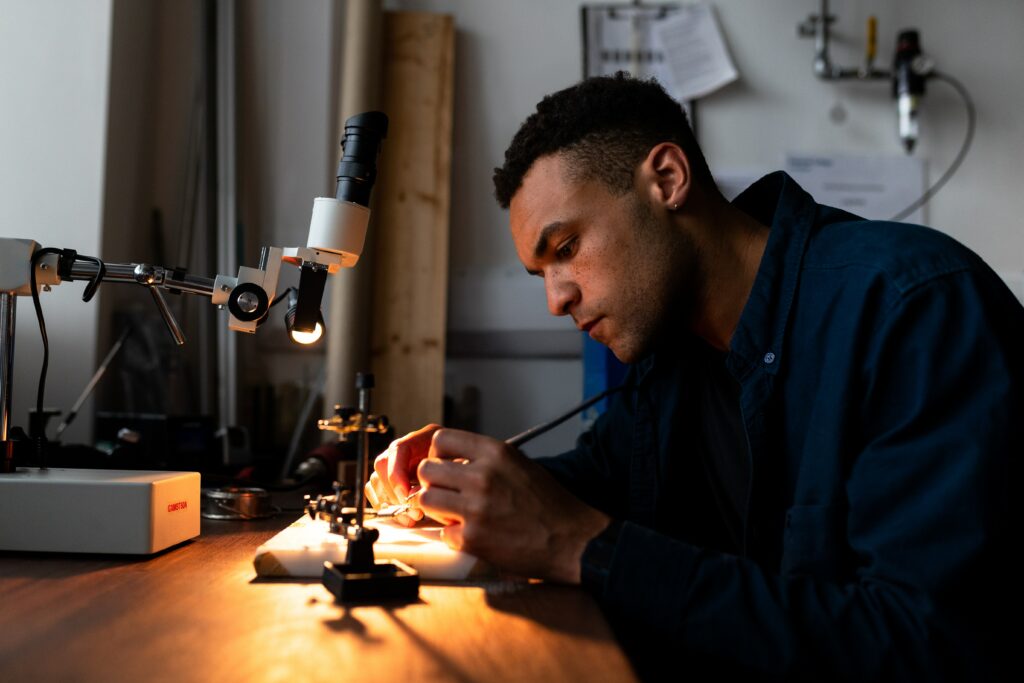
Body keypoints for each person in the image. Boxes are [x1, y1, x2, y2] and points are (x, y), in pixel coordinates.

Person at [365, 73, 1019, 680]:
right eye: (541, 274)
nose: (556, 300)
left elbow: (923, 646)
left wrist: (580, 545)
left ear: (669, 179)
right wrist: (456, 486)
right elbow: (598, 479)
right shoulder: (671, 356)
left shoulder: (915, 310)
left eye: (565, 249)